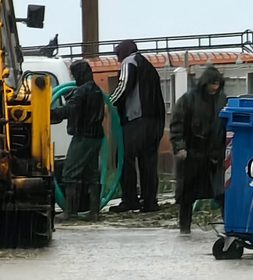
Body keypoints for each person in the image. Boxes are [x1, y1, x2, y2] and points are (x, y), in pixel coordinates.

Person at [170, 64, 227, 234]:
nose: (214, 88)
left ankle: (230, 228)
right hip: (192, 154)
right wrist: (180, 147)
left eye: (217, 84)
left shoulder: (223, 100)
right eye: (211, 84)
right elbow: (177, 125)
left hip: (215, 155)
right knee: (187, 195)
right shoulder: (188, 100)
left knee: (222, 194)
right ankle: (184, 228)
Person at [110, 39, 166, 213]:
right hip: (156, 121)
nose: (118, 60)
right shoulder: (148, 66)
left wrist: (109, 102)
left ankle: (130, 199)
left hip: (137, 120)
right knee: (148, 161)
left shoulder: (130, 62)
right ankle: (150, 202)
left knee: (124, 158)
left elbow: (124, 86)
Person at [50, 59, 106, 221]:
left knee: (70, 173)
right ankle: (94, 212)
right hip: (96, 136)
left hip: (83, 136)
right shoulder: (96, 90)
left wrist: (50, 114)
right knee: (91, 173)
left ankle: (70, 211)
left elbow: (70, 110)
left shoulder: (81, 92)